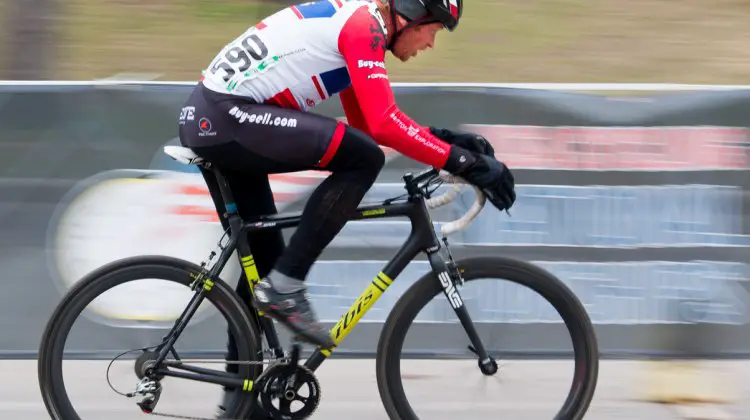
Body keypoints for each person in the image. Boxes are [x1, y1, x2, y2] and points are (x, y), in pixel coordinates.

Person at [178, 0, 516, 353]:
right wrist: (466, 163)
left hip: (217, 117)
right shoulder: (364, 28)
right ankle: (287, 287)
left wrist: (445, 139)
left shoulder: (359, 23)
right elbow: (381, 127)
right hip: (226, 117)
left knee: (264, 268)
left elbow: (369, 126)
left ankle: (240, 402)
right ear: (413, 17)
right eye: (433, 31)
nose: (430, 43)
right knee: (362, 161)